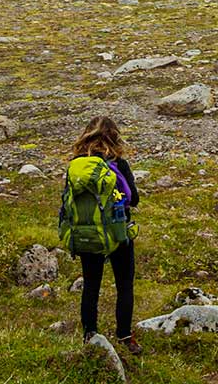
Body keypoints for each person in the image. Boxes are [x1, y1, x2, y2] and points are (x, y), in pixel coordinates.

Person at [68, 117, 142, 355]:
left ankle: (90, 335)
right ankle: (124, 336)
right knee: (124, 285)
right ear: (114, 136)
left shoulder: (77, 166)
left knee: (91, 285)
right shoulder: (118, 164)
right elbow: (134, 198)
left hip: (87, 233)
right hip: (118, 233)